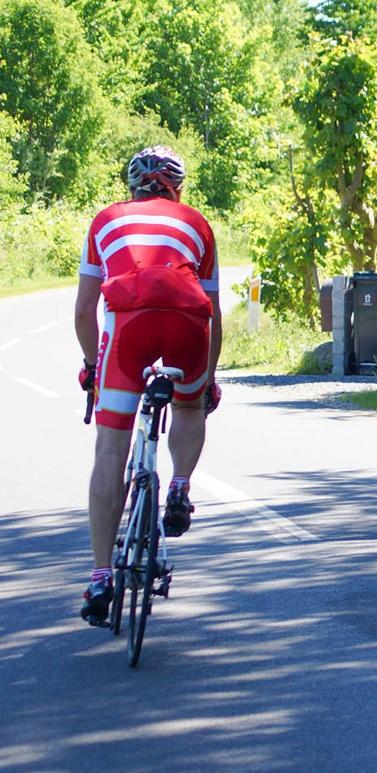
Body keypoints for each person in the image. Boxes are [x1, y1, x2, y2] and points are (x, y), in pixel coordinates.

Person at [75, 146, 222, 626]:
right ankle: (179, 485)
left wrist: (91, 369)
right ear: (177, 187)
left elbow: (83, 312)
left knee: (109, 450)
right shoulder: (197, 224)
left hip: (128, 330)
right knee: (187, 406)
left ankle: (100, 577)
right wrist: (208, 382)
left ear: (132, 185)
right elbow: (213, 312)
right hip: (186, 325)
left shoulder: (105, 221)